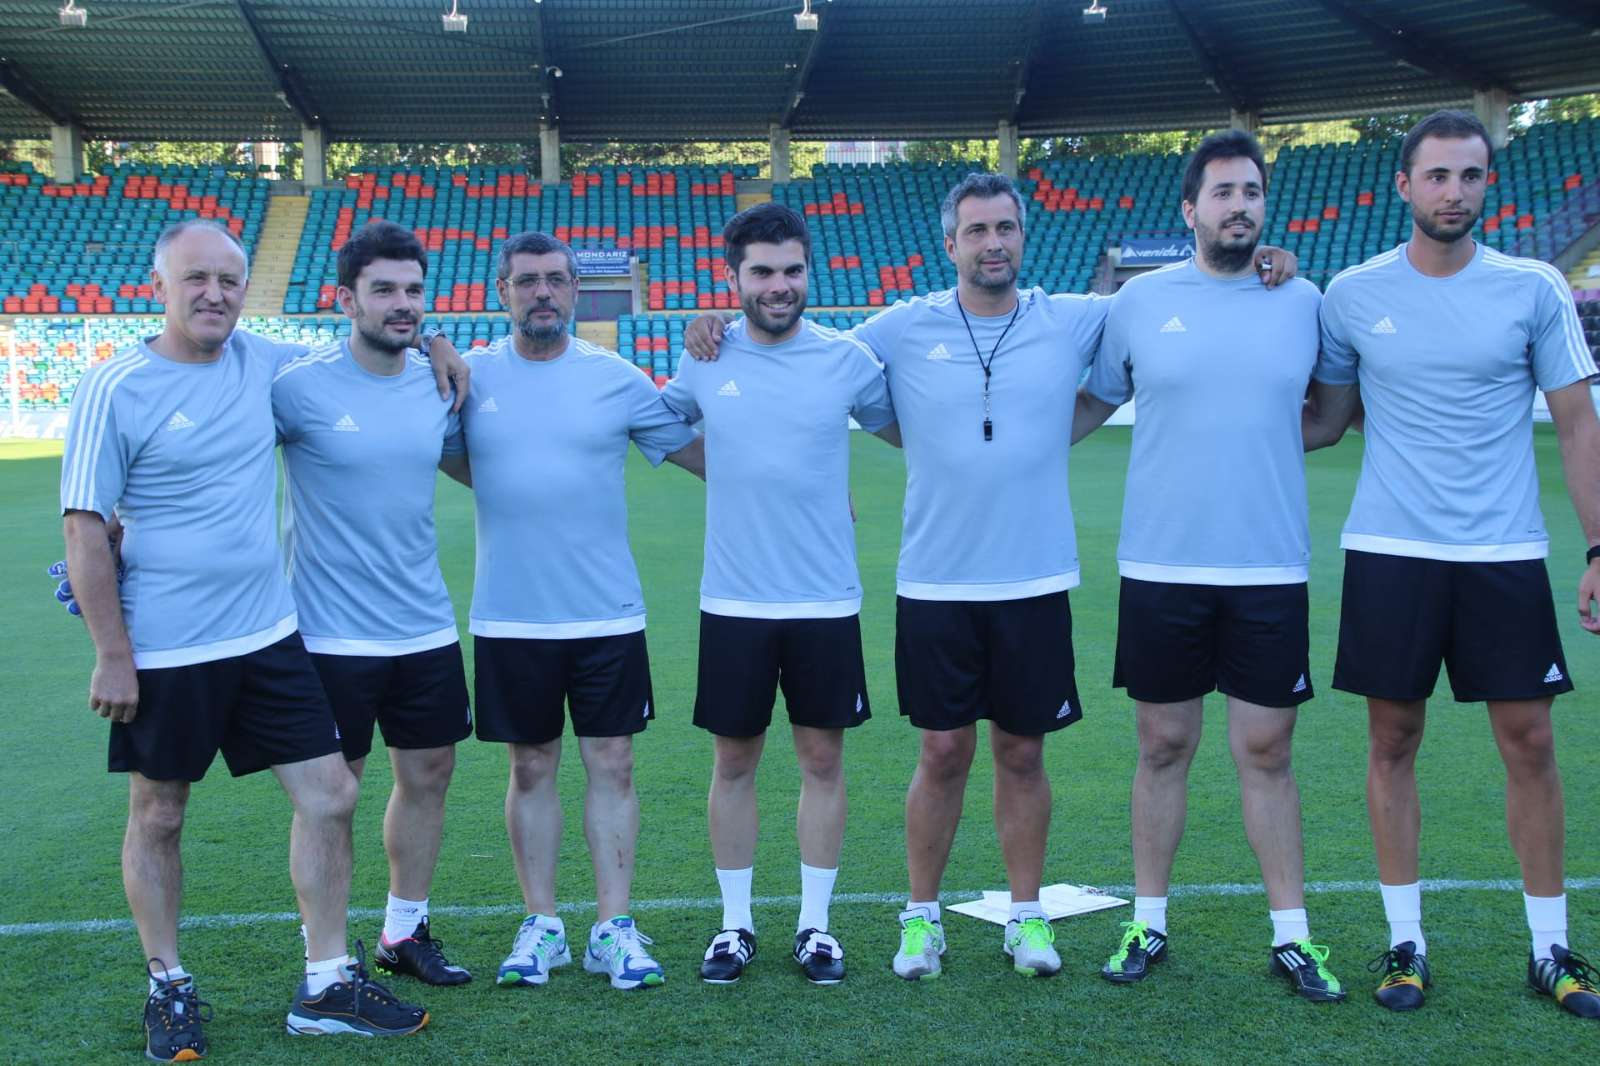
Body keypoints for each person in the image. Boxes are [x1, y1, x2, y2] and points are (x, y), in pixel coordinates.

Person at [685, 174, 1295, 983]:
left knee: (1022, 753)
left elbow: (1177, 294)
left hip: (1034, 579)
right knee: (941, 752)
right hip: (936, 581)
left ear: (1022, 236)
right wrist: (717, 326)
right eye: (976, 230)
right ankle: (921, 917)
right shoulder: (900, 327)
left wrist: (1261, 259)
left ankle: (1026, 914)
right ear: (951, 244)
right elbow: (799, 352)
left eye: (1005, 227)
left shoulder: (1072, 317)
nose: (993, 242)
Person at [59, 220, 430, 1062]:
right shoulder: (115, 386)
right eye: (197, 278)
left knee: (331, 795)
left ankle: (326, 983)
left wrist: (437, 343)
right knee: (159, 812)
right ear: (160, 285)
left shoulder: (266, 362)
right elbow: (84, 527)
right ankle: (168, 984)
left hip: (268, 635)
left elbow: (369, 341)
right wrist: (113, 655)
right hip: (165, 648)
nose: (215, 293)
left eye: (229, 279)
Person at [1307, 109, 1600, 1017]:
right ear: (1404, 185)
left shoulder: (1532, 288)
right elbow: (1326, 420)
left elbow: (1578, 423)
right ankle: (1406, 942)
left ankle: (1550, 948)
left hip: (1502, 552)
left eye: (1470, 175)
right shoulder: (1352, 293)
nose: (1454, 191)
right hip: (1391, 553)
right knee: (1393, 740)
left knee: (1531, 742)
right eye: (1437, 175)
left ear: (1486, 184)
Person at [1073, 130, 1345, 1001]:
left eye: (1251, 192)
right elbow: (1089, 401)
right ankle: (1147, 922)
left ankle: (1293, 937)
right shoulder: (1139, 303)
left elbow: (1329, 418)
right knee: (1163, 745)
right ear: (1190, 209)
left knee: (1267, 749)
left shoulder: (1302, 299)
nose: (1239, 205)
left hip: (1268, 566)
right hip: (1163, 565)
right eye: (1223, 192)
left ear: (1265, 206)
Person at [658, 203, 900, 986]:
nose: (779, 285)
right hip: (735, 600)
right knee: (734, 761)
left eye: (792, 270)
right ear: (734, 277)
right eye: (761, 271)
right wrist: (726, 472)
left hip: (824, 600)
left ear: (807, 273)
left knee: (822, 759)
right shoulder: (706, 356)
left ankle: (814, 927)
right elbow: (654, 424)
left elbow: (909, 424)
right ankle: (735, 926)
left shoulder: (846, 360)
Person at [459, 231, 706, 991]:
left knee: (614, 761)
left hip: (606, 611)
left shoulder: (616, 378)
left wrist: (806, 485)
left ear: (574, 290)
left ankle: (613, 927)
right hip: (511, 613)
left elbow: (702, 454)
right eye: (527, 280)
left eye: (556, 280)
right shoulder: (468, 375)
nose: (543, 292)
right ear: (502, 292)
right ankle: (543, 924)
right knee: (530, 764)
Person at [272, 220, 475, 987]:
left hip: (424, 625)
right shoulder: (299, 385)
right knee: (331, 797)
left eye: (413, 290)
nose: (402, 304)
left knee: (430, 774)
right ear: (344, 299)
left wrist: (439, 340)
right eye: (383, 289)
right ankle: (323, 957)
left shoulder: (436, 381)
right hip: (330, 634)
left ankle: (403, 931)